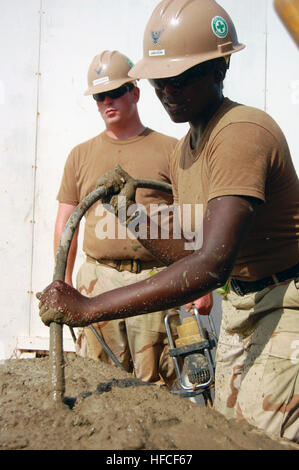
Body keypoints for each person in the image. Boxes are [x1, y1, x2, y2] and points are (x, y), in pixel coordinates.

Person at [38, 0, 299, 443]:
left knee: (262, 435)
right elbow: (190, 248)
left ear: (220, 70)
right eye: (160, 80)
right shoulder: (185, 151)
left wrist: (89, 308)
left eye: (181, 79)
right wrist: (130, 213)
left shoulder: (239, 132)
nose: (168, 92)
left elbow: (210, 265)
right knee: (233, 431)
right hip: (244, 304)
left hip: (286, 299)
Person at [53, 48, 194, 387]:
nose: (107, 102)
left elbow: (192, 216)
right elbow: (65, 223)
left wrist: (195, 287)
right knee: (97, 381)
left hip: (155, 280)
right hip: (96, 281)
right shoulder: (81, 155)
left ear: (135, 92)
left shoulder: (172, 150)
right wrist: (65, 279)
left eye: (115, 92)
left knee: (155, 383)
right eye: (100, 96)